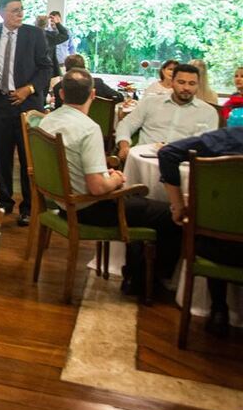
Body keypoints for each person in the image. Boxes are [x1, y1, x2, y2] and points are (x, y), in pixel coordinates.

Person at [40, 69, 180, 290]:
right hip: (89, 208)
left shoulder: (46, 122)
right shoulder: (88, 129)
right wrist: (116, 179)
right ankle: (147, 280)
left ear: (62, 95)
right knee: (170, 214)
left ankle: (134, 273)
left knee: (139, 201)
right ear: (93, 95)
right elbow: (97, 188)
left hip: (61, 202)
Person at [158, 126, 243, 337]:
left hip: (215, 248)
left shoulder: (226, 138)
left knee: (213, 228)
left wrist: (178, 207)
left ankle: (218, 310)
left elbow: (167, 153)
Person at [0, 0, 52, 226]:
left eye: (21, 9)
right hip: (0, 103)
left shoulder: (35, 34)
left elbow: (46, 69)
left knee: (27, 158)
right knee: (1, 155)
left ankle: (29, 206)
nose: (20, 14)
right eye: (14, 10)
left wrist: (28, 89)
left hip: (27, 105)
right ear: (2, 13)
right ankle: (3, 200)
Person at [115, 63, 218, 165]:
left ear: (198, 85)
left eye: (192, 83)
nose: (186, 87)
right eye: (181, 82)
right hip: (143, 159)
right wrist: (124, 145)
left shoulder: (208, 112)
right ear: (172, 82)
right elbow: (126, 124)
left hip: (182, 164)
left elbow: (207, 145)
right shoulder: (150, 102)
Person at [51, 54, 120, 108]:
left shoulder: (58, 87)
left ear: (66, 68)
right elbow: (119, 97)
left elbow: (58, 110)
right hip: (100, 122)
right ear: (84, 66)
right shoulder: (98, 83)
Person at [38, 12, 70, 78]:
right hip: (48, 68)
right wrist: (57, 23)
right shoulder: (49, 36)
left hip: (33, 68)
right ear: (47, 24)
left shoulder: (28, 35)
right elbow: (65, 35)